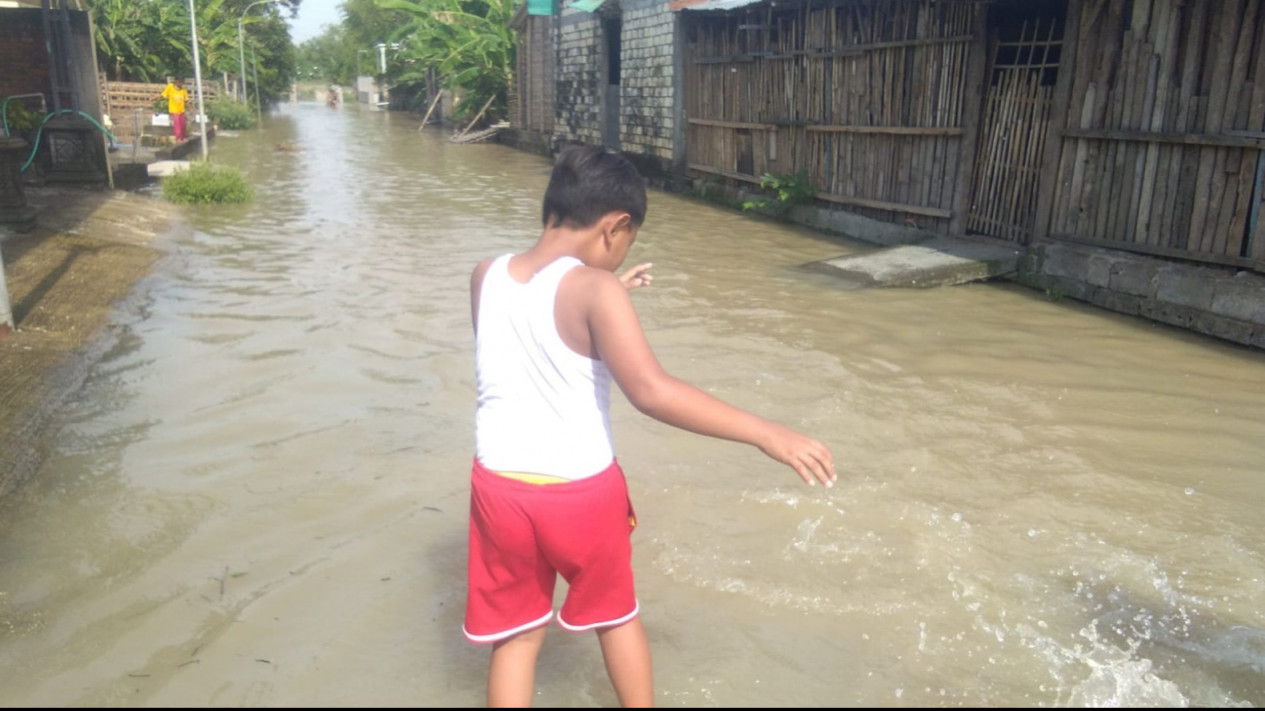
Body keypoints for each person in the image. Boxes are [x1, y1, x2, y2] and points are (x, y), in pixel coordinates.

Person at [465, 144, 836, 708]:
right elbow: (651, 392)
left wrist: (612, 292)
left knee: (515, 639)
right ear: (616, 227)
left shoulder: (485, 275)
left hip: (499, 489)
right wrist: (768, 432)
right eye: (627, 242)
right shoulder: (596, 290)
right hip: (578, 494)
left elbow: (524, 342)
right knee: (615, 619)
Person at [157, 77, 189, 142]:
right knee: (177, 125)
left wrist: (190, 108)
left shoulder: (183, 90)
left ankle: (184, 137)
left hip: (181, 110)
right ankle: (178, 138)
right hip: (174, 110)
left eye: (182, 82)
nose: (181, 84)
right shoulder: (170, 87)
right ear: (176, 81)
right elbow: (163, 94)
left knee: (183, 125)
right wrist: (154, 98)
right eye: (180, 82)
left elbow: (186, 100)